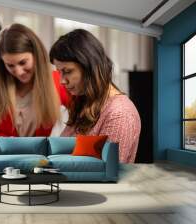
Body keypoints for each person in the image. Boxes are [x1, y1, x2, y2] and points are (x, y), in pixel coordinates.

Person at [49, 29, 141, 163]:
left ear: (89, 68)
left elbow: (105, 175)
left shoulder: (120, 114)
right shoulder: (85, 101)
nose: (62, 81)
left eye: (67, 71)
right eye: (59, 72)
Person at [0, 23, 69, 137]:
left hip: (40, 154)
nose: (19, 72)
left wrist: (67, 135)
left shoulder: (57, 80)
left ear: (36, 55)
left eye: (23, 62)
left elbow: (84, 112)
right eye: (10, 65)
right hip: (2, 154)